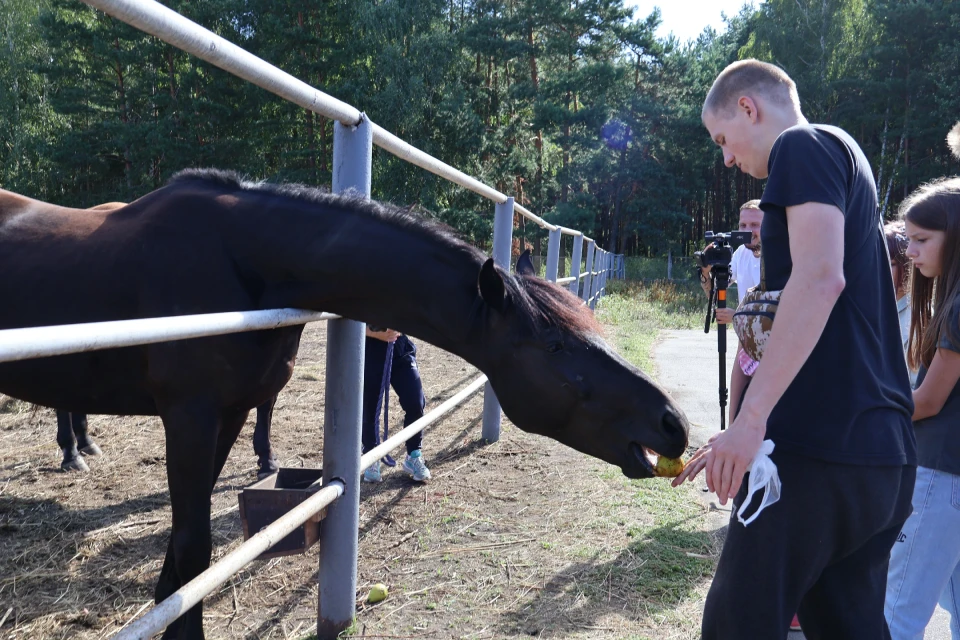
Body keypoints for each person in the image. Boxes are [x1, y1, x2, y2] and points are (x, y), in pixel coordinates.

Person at [673, 59, 916, 639]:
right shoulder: (845, 154)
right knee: (847, 626)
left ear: (749, 109)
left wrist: (751, 421)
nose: (727, 158)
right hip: (878, 455)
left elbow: (819, 279)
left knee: (737, 625)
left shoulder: (802, 147)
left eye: (723, 139)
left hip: (816, 452)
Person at [885, 177, 960, 640]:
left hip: (938, 478)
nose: (910, 252)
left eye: (921, 240)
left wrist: (865, 410)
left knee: (896, 614)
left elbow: (929, 401)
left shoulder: (955, 309)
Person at [699, 200, 764, 427]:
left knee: (759, 411)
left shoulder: (779, 256)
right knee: (734, 413)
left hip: (772, 344)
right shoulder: (739, 254)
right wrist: (706, 273)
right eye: (743, 225)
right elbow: (715, 298)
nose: (748, 231)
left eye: (755, 224)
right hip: (745, 340)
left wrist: (736, 315)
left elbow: (779, 312)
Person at [361, 327, 432, 483]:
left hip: (399, 348)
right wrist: (375, 333)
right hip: (369, 349)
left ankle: (413, 455)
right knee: (370, 408)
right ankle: (371, 456)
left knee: (416, 401)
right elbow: (348, 316)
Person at [885, 220, 917, 387]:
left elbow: (915, 384)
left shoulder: (919, 318)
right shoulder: (867, 307)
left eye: (890, 264)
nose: (880, 268)